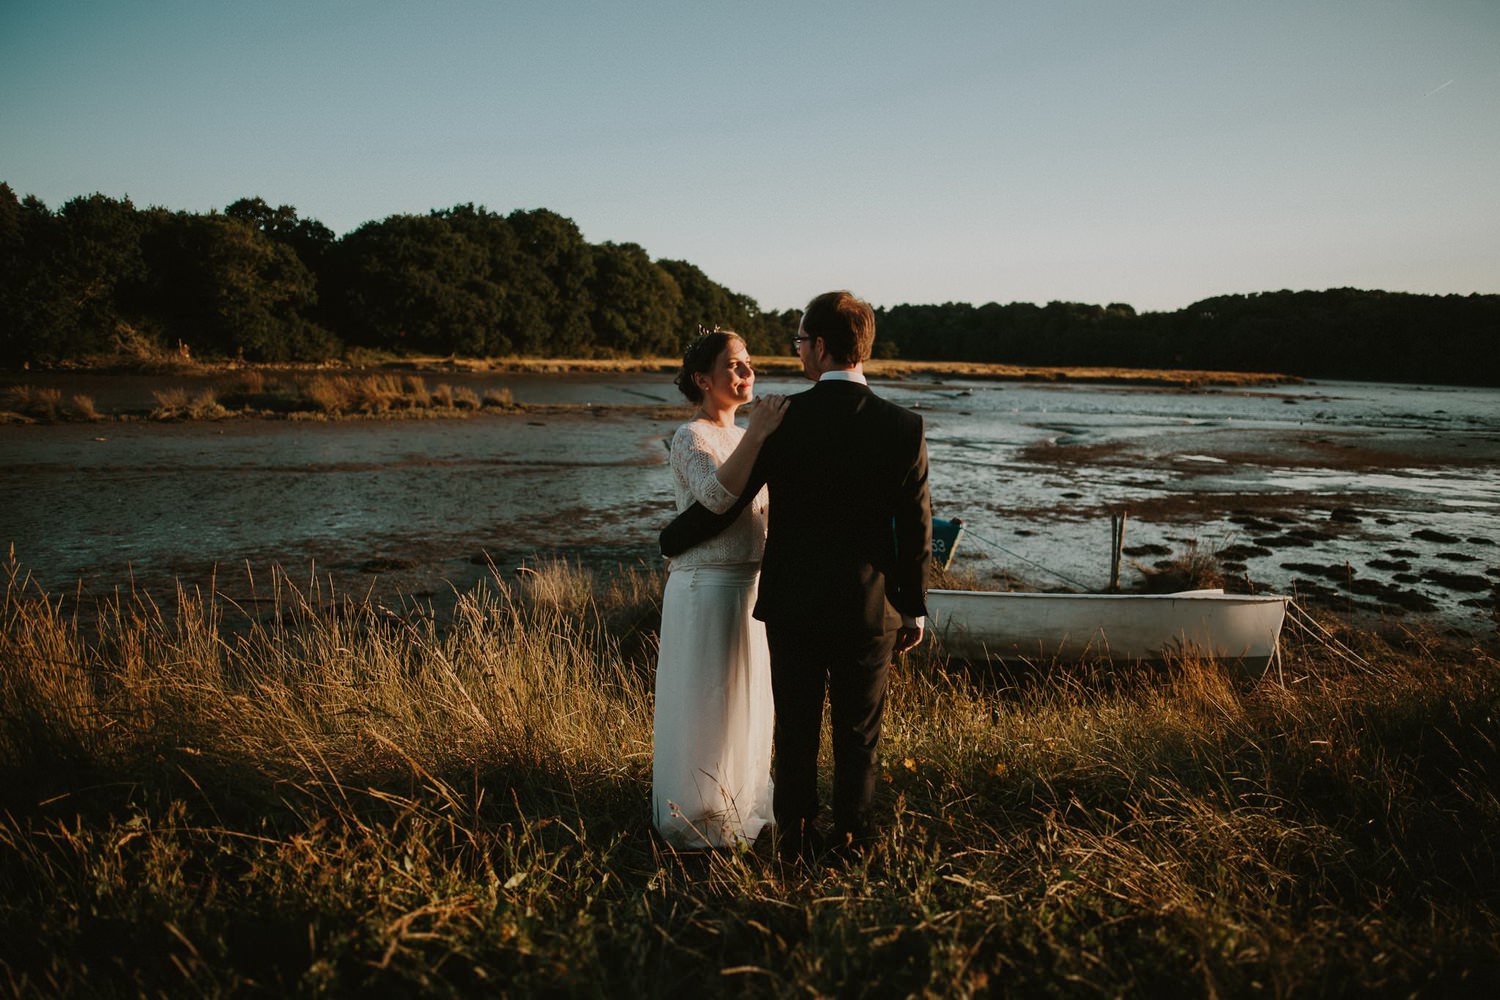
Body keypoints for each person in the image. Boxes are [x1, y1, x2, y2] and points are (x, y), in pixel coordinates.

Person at [660, 291, 932, 861]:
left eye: (801, 342)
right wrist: (912, 606)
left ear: (823, 347)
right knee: (859, 735)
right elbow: (915, 526)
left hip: (792, 603)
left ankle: (795, 840)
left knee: (797, 731)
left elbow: (727, 504)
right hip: (868, 606)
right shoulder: (904, 426)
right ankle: (853, 842)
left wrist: (671, 540)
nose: (797, 351)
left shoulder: (781, 420)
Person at [652, 330, 789, 849]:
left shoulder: (747, 434)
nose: (746, 373)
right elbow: (712, 497)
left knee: (746, 700)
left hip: (751, 586)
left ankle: (740, 803)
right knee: (707, 700)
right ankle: (697, 815)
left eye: (749, 363)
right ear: (702, 380)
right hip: (705, 586)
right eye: (733, 365)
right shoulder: (693, 437)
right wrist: (759, 436)